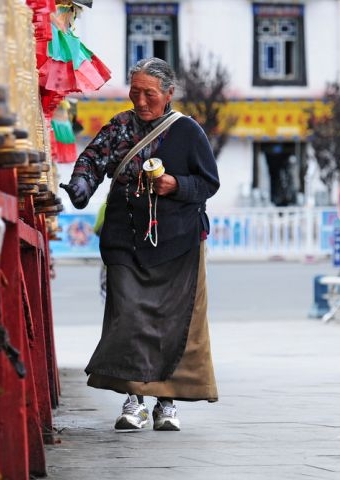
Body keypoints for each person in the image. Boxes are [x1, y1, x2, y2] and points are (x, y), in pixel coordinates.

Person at [60, 57, 220, 431]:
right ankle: (134, 400)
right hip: (125, 239)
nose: (142, 101)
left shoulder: (188, 132)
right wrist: (81, 186)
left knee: (170, 323)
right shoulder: (119, 126)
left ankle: (167, 403)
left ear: (168, 94)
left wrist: (175, 186)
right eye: (135, 93)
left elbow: (208, 184)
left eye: (150, 94)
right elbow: (93, 160)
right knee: (128, 318)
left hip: (178, 243)